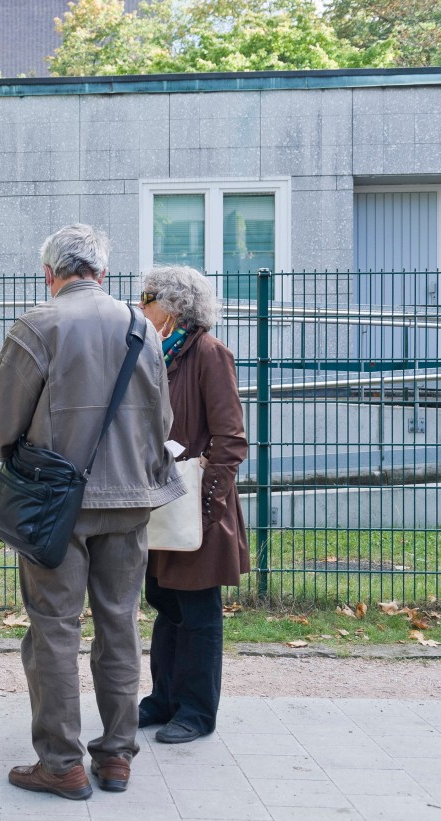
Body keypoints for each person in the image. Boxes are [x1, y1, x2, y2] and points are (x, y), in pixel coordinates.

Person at [0, 224, 184, 800]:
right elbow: (161, 421)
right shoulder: (140, 327)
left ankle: (62, 763)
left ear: (50, 273)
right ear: (102, 272)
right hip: (129, 502)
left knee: (54, 630)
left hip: (55, 509)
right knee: (119, 626)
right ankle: (117, 757)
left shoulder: (38, 325)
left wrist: (27, 462)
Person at [136, 265, 250, 744]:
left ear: (173, 306)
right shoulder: (158, 354)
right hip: (163, 503)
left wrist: (207, 506)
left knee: (198, 611)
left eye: (148, 297)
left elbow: (231, 439)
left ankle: (197, 712)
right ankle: (164, 699)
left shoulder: (208, 353)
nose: (140, 305)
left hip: (199, 508)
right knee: (165, 602)